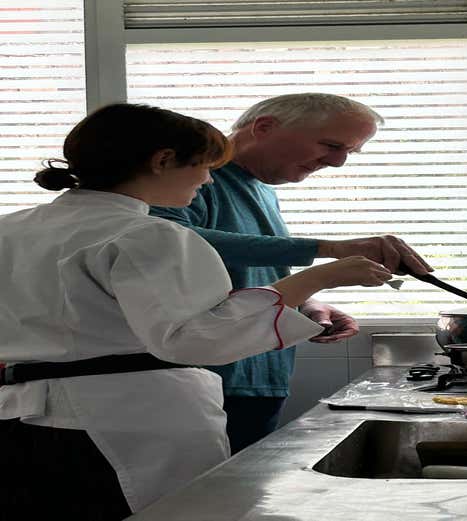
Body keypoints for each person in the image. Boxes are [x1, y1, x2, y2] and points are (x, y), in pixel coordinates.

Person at [0, 103, 393, 519]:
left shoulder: (13, 228)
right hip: (128, 422)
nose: (207, 179)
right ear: (163, 161)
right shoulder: (149, 234)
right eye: (204, 166)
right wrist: (318, 278)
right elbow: (196, 339)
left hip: (20, 415)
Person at [150, 93, 433, 453]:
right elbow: (171, 240)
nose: (337, 163)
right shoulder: (188, 180)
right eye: (331, 145)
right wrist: (327, 249)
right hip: (206, 375)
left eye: (348, 152)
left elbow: (243, 268)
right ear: (264, 127)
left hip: (261, 376)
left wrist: (307, 305)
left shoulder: (261, 190)